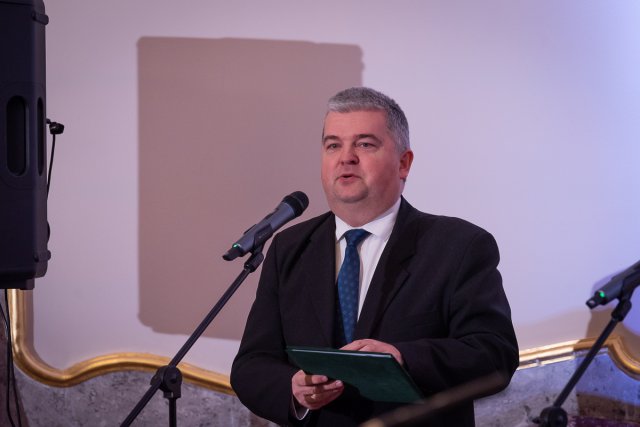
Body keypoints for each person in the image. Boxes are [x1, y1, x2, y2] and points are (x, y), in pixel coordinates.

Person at [230, 87, 519, 426]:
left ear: (403, 163)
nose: (346, 158)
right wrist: (293, 388)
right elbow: (251, 365)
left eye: (365, 144)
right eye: (333, 145)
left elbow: (495, 355)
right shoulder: (290, 247)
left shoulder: (459, 246)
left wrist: (403, 358)